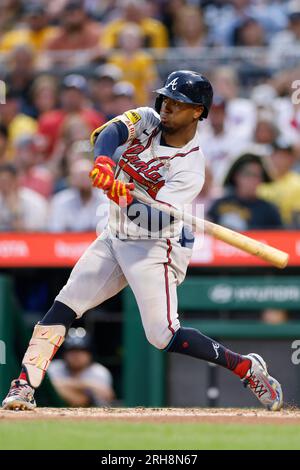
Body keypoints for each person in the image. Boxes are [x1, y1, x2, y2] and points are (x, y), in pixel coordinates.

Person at [2, 70, 283, 412]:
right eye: (165, 99)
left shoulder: (191, 168)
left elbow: (156, 219)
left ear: (198, 112)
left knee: (163, 335)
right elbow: (110, 132)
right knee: (65, 304)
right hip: (115, 234)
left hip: (156, 245)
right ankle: (23, 386)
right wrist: (105, 162)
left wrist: (122, 198)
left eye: (177, 104)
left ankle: (245, 366)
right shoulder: (148, 119)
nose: (166, 108)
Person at [208, 152, 282, 231]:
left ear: (261, 180)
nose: (252, 180)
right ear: (236, 176)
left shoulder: (269, 211)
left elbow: (279, 238)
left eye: (256, 175)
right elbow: (205, 232)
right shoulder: (220, 204)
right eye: (247, 174)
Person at [48, 329, 115, 407]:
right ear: (64, 353)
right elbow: (47, 388)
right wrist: (87, 385)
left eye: (81, 350)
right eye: (72, 350)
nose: (76, 355)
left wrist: (63, 386)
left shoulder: (99, 372)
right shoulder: (54, 367)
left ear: (90, 353)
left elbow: (105, 396)